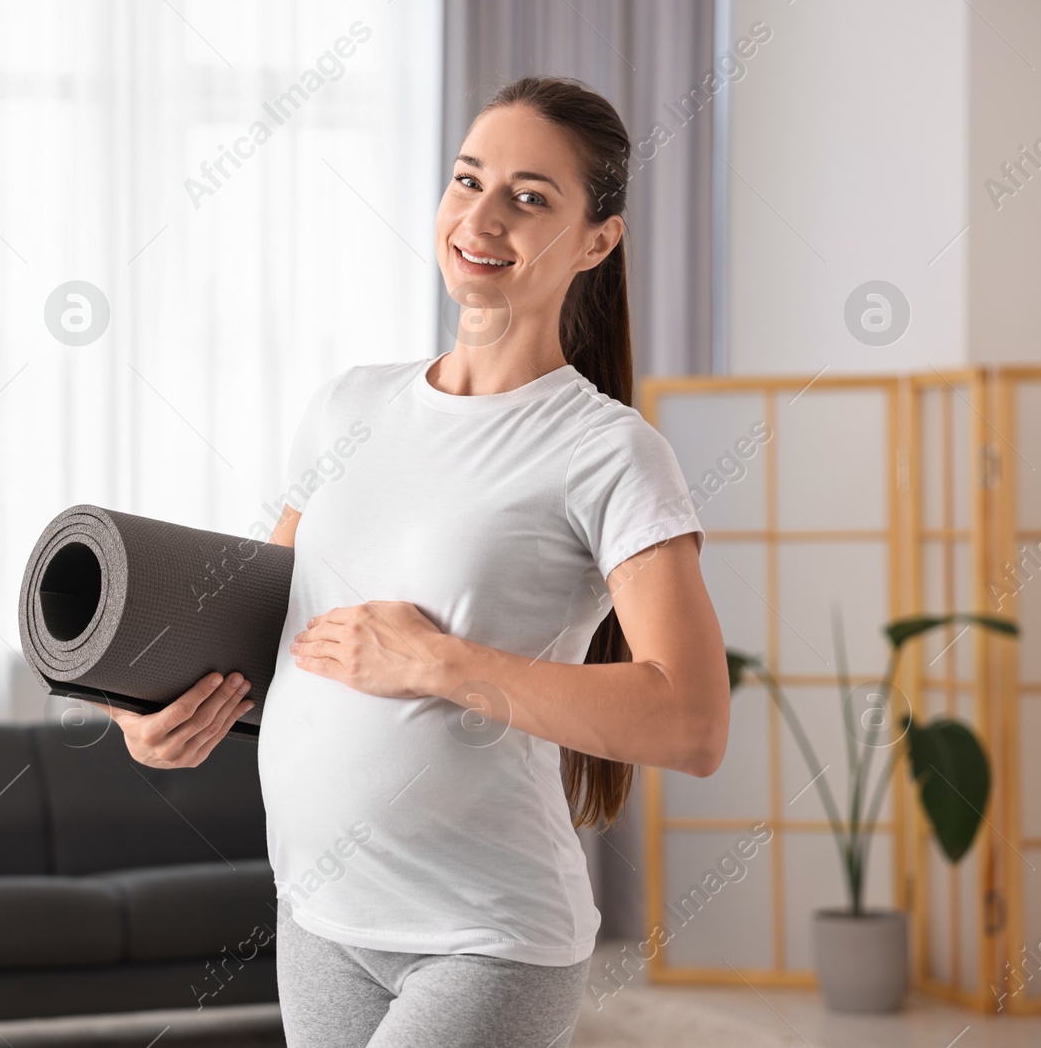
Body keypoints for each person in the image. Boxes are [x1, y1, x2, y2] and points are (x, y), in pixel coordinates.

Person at [96, 75, 731, 1048]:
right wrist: (159, 713)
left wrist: (441, 663)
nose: (481, 216)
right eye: (466, 178)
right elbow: (283, 650)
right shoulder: (347, 406)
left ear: (596, 241)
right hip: (319, 915)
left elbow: (690, 719)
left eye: (529, 196)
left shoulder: (607, 451)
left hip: (486, 934)